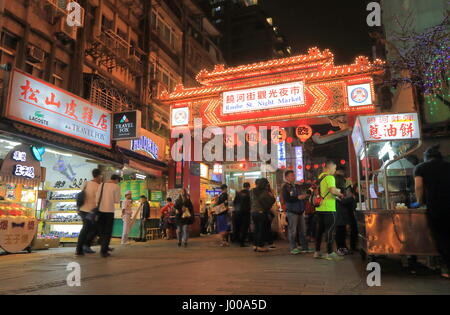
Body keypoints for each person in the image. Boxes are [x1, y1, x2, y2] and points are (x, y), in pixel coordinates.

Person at [414, 144, 450, 279]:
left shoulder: (421, 168)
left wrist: (420, 201)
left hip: (436, 207)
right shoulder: (448, 166)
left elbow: (418, 187)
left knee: (441, 237)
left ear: (426, 158)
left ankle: (447, 267)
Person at [314, 160, 344, 261]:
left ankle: (317, 252)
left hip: (319, 208)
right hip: (329, 209)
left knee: (319, 231)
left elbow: (325, 192)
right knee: (330, 231)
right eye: (334, 168)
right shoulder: (330, 177)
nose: (335, 171)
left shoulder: (319, 178)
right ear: (328, 168)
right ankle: (330, 252)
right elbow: (332, 190)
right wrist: (340, 193)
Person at [281, 170, 314, 255]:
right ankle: (293, 247)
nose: (294, 177)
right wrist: (298, 198)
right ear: (287, 177)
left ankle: (305, 247)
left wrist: (304, 196)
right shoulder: (285, 187)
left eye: (294, 175)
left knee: (303, 231)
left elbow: (304, 191)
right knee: (293, 231)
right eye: (292, 175)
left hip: (300, 211)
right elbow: (286, 199)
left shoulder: (296, 186)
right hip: (292, 212)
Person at [76, 168, 102, 256]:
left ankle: (82, 248)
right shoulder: (98, 187)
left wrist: (78, 207)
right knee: (92, 229)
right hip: (90, 212)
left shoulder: (86, 183)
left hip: (82, 210)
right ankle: (83, 247)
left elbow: (80, 194)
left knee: (88, 229)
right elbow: (98, 201)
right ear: (99, 176)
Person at [96, 174, 121, 258]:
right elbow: (117, 200)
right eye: (118, 180)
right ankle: (104, 251)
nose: (118, 182)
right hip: (109, 211)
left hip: (100, 210)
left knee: (102, 231)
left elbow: (97, 198)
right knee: (108, 232)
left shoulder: (101, 185)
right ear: (116, 180)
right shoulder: (116, 187)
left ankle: (104, 246)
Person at [250, 178, 276, 252]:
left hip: (254, 212)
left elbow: (250, 201)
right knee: (261, 229)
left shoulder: (252, 191)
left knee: (256, 229)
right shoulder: (264, 192)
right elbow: (271, 201)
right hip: (261, 212)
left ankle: (255, 245)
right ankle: (260, 246)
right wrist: (272, 196)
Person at [335, 167, 351, 256]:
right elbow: (340, 199)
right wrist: (350, 198)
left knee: (342, 230)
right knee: (340, 230)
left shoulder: (343, 182)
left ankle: (343, 247)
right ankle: (340, 248)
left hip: (342, 210)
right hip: (338, 210)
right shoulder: (336, 187)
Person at [233, 182, 251, 247]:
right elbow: (250, 203)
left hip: (237, 213)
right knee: (244, 227)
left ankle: (237, 240)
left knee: (238, 227)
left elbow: (234, 202)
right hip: (245, 212)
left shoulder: (238, 193)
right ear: (248, 187)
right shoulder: (249, 193)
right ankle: (242, 242)